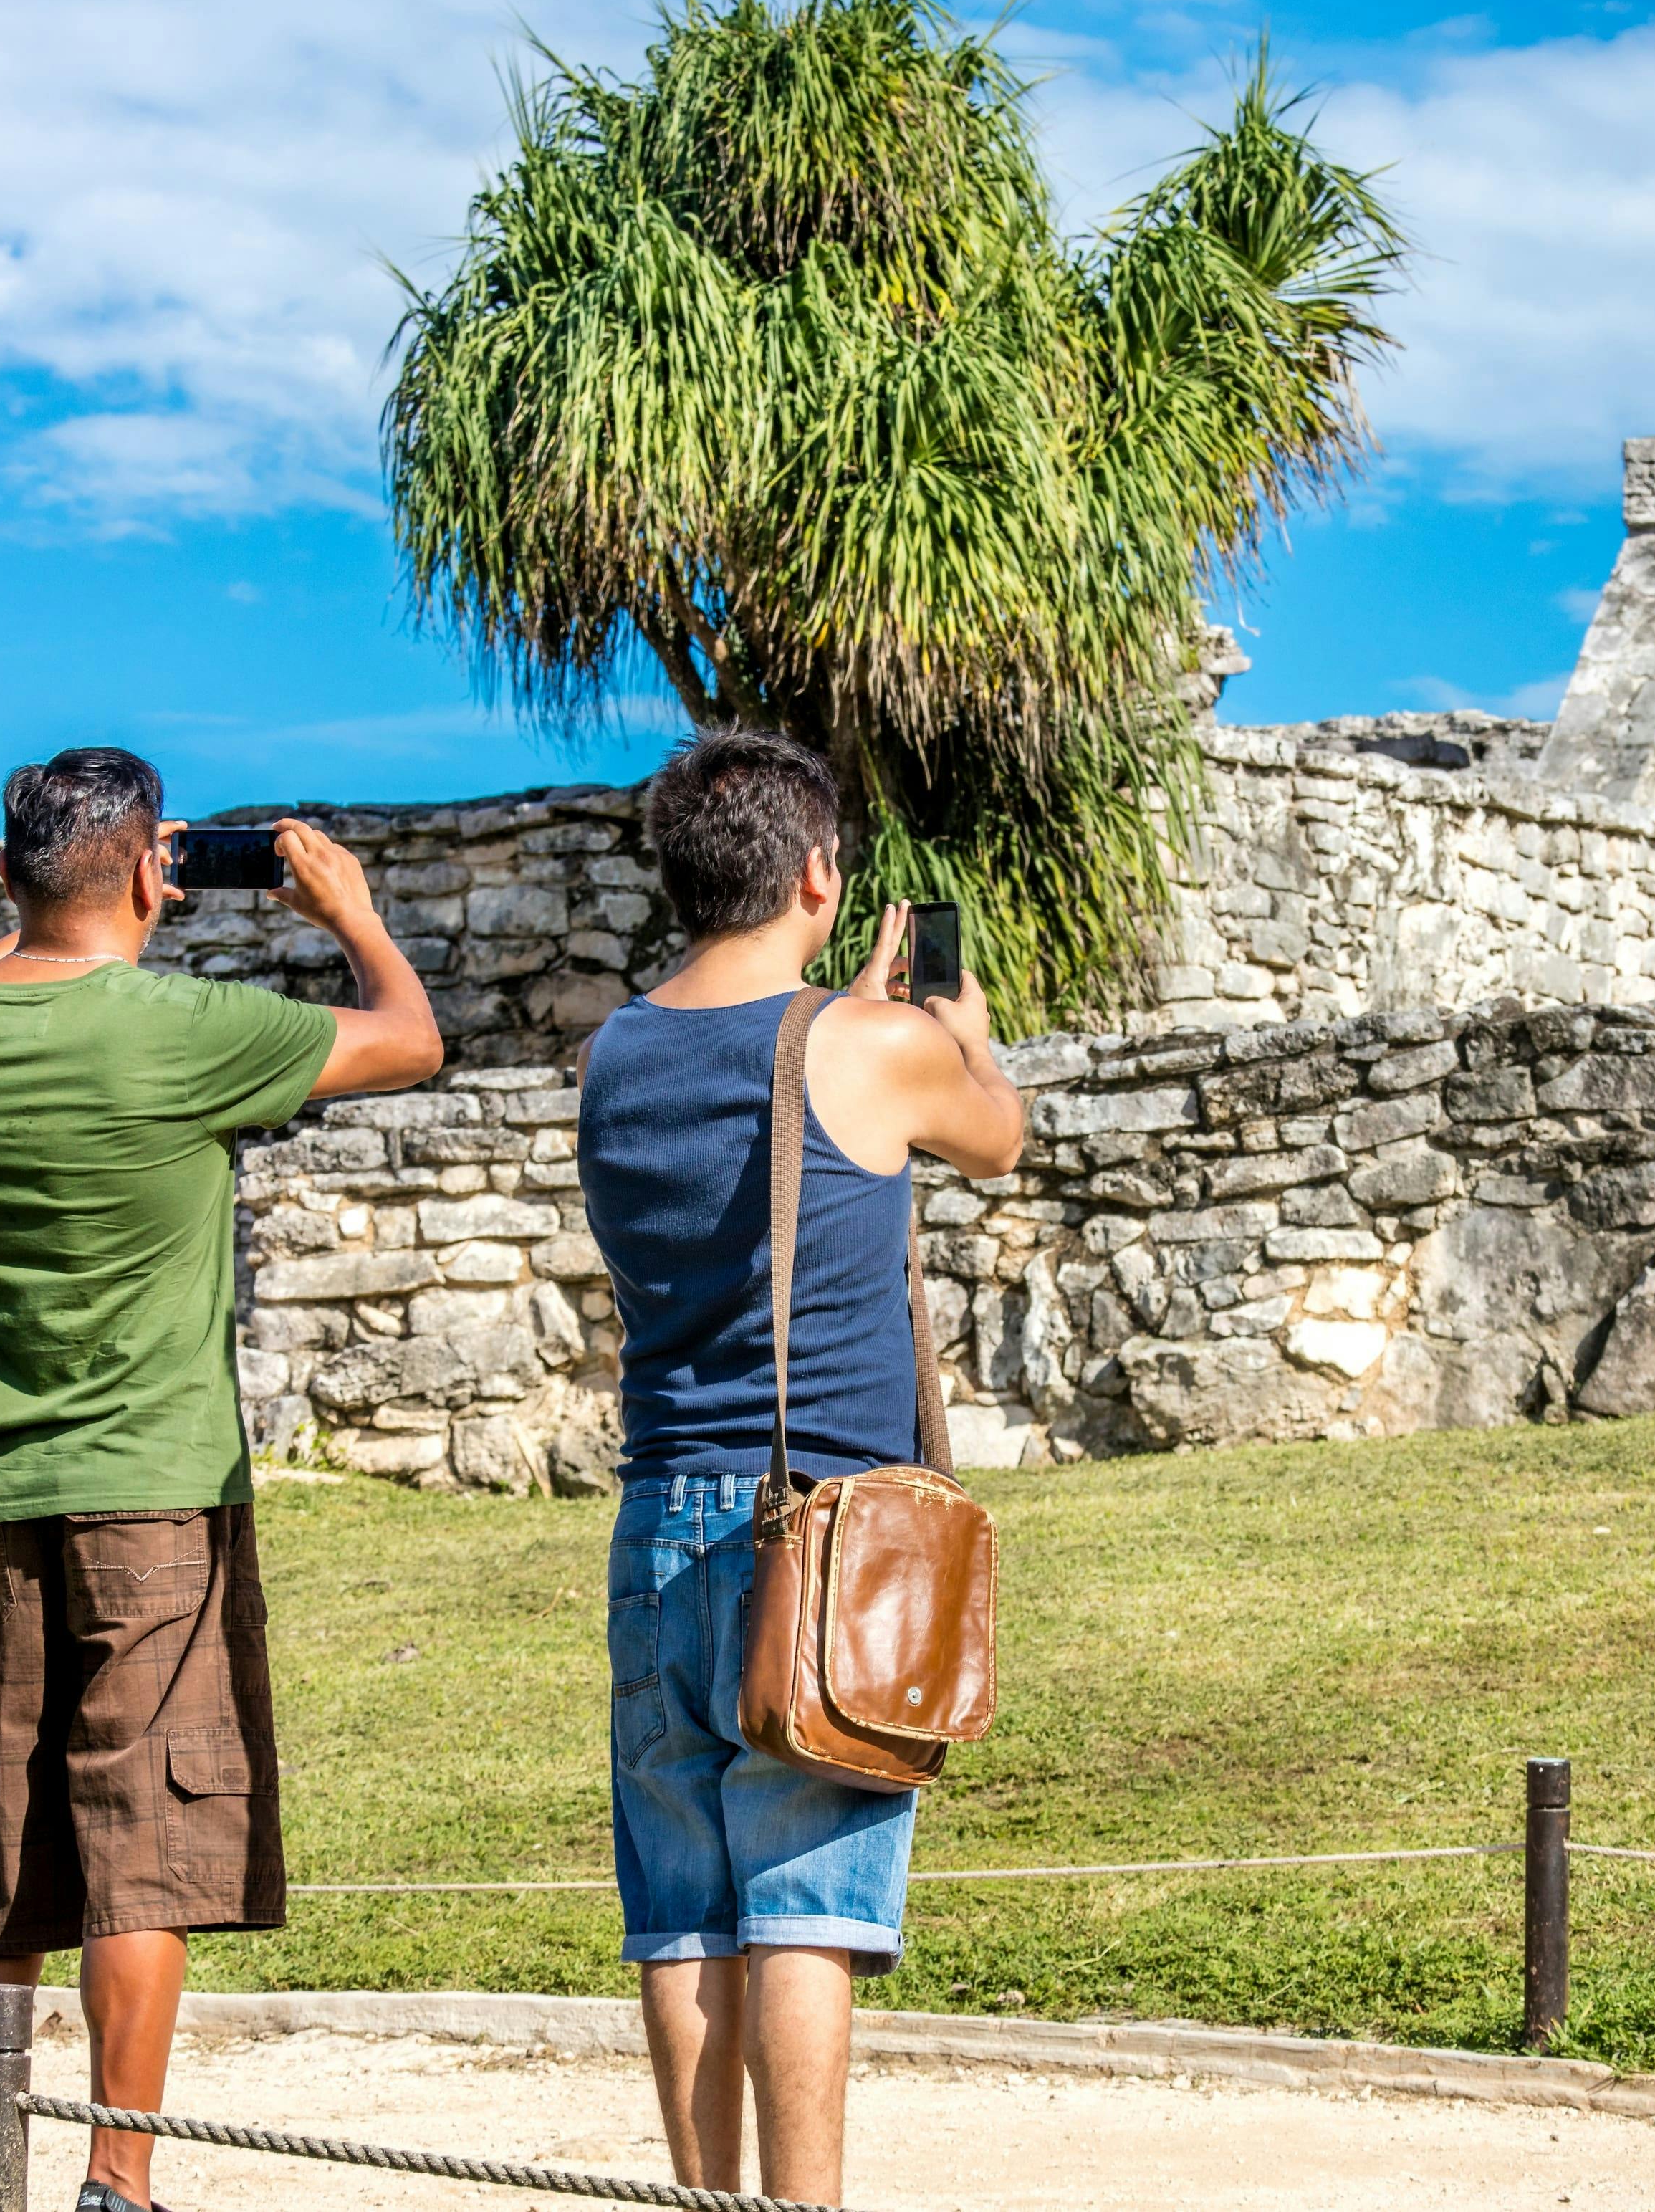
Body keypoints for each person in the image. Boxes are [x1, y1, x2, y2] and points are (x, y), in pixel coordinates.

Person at [0, 747, 443, 2212]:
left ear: (7, 872)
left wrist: (72, 898)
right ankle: (115, 2178)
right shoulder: (182, 1026)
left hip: (1, 1493)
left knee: (4, 1834)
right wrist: (346, 903)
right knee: (144, 1831)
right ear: (153, 868)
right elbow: (409, 1037)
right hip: (158, 1489)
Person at [575, 729, 1028, 2204]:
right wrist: (950, 1016)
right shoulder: (868, 1043)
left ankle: (701, 2196)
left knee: (683, 1916)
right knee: (804, 1904)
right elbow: (998, 1137)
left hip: (658, 1520)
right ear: (818, 873)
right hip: (822, 1532)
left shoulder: (616, 1051)